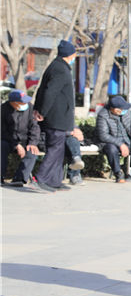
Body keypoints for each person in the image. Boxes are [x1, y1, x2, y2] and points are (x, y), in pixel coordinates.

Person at [32, 39, 77, 192]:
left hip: (58, 117)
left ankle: (55, 180)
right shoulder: (61, 69)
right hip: (56, 117)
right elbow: (50, 92)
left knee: (59, 150)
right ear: (69, 54)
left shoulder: (56, 66)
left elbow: (42, 89)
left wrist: (38, 108)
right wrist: (42, 111)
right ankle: (41, 178)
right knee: (55, 149)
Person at [1, 90, 40, 187]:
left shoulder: (30, 108)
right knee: (1, 146)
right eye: (22, 102)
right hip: (9, 140)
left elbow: (35, 127)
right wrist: (16, 145)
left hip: (25, 140)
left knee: (32, 151)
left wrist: (33, 143)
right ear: (14, 103)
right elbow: (2, 131)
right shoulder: (3, 109)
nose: (25, 104)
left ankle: (20, 178)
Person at [95, 95, 131, 182]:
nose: (125, 111)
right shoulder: (103, 115)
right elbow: (103, 135)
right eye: (122, 109)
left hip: (126, 140)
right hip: (109, 142)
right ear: (115, 110)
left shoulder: (126, 113)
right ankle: (118, 173)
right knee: (111, 149)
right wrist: (121, 144)